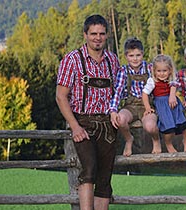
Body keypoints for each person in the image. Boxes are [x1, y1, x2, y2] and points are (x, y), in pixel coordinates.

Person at [56, 14, 119, 210]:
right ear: (85, 35)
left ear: (106, 35)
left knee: (104, 177)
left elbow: (118, 94)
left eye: (101, 34)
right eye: (93, 34)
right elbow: (60, 96)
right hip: (82, 122)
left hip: (107, 125)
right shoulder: (72, 59)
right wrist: (74, 126)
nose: (97, 38)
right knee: (89, 169)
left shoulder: (112, 61)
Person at [109, 37, 161, 156]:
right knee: (120, 119)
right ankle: (129, 139)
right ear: (126, 56)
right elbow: (118, 91)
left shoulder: (150, 68)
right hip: (130, 106)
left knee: (150, 126)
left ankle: (156, 140)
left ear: (142, 54)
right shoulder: (123, 71)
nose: (135, 59)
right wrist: (113, 110)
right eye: (131, 56)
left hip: (147, 106)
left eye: (138, 55)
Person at [142, 54, 186, 153]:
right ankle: (168, 144)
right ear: (154, 71)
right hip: (161, 104)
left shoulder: (172, 79)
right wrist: (147, 108)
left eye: (164, 71)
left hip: (173, 103)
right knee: (168, 127)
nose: (162, 74)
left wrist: (177, 97)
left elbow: (176, 87)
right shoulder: (152, 81)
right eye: (158, 71)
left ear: (170, 70)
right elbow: (145, 94)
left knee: (183, 123)